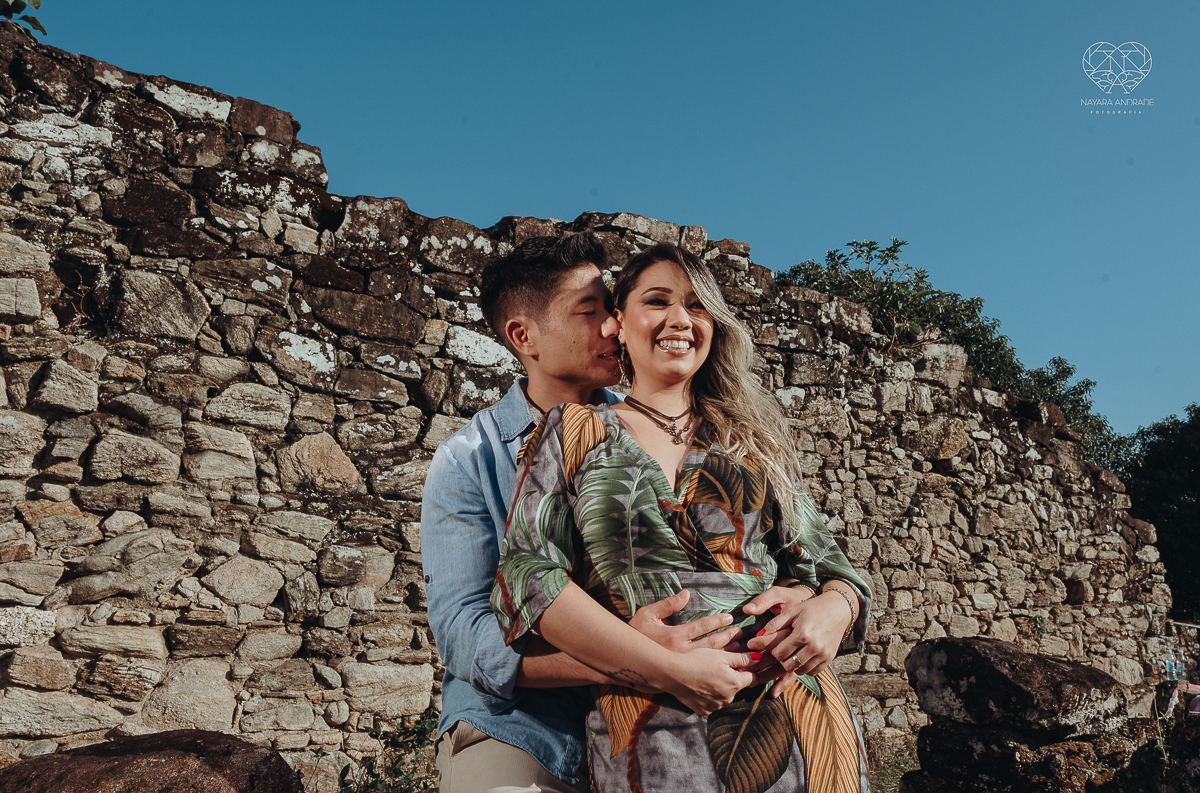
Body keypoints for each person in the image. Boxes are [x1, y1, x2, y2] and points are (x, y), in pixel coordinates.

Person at [422, 233, 809, 793]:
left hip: (675, 715)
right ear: (523, 336)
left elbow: (794, 553)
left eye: (612, 308)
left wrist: (820, 598)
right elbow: (465, 634)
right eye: (591, 311)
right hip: (523, 727)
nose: (610, 326)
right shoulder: (466, 459)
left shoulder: (657, 428)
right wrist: (636, 658)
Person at [492, 242, 874, 793]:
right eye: (658, 301)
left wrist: (831, 610)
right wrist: (664, 667)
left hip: (795, 713)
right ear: (618, 323)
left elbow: (838, 572)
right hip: (654, 723)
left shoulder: (750, 440)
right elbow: (528, 576)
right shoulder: (573, 431)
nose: (680, 319)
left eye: (697, 306)